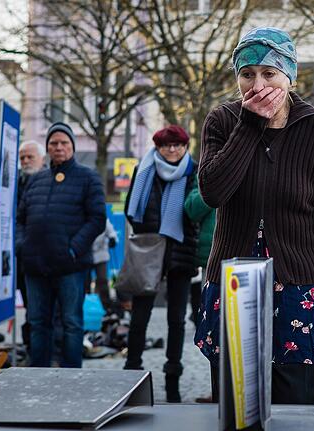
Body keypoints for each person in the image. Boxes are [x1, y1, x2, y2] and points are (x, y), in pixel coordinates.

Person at [195, 27, 314, 405]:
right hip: (234, 284)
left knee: (302, 404)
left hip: (302, 287)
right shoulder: (223, 121)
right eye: (247, 74)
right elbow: (213, 191)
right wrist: (250, 124)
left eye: (269, 73)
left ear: (289, 76)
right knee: (240, 408)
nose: (257, 83)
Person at [16, 122, 106, 368]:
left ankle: (72, 378)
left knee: (72, 323)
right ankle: (39, 374)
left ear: (72, 147)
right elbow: (20, 219)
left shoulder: (88, 178)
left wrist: (74, 248)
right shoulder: (36, 181)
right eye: (53, 143)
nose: (59, 147)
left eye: (64, 143)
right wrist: (22, 246)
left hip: (71, 265)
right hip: (35, 265)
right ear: (47, 149)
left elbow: (97, 219)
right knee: (38, 322)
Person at [123, 125, 198, 403]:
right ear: (157, 147)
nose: (172, 150)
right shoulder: (145, 170)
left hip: (181, 252)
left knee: (176, 319)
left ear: (185, 147)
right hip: (150, 251)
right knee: (140, 316)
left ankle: (173, 378)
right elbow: (133, 209)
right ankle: (132, 371)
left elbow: (197, 212)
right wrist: (157, 234)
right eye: (167, 145)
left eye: (177, 145)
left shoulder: (195, 171)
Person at [184, 184, 217, 403]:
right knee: (216, 328)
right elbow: (191, 209)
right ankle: (218, 387)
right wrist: (217, 187)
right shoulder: (207, 171)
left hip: (255, 254)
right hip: (212, 258)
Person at [16, 140, 46, 350]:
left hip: (47, 258)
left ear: (41, 159)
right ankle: (32, 349)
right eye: (22, 158)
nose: (26, 161)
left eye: (30, 157)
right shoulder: (16, 183)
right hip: (23, 257)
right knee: (30, 307)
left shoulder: (49, 180)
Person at [87, 219, 118, 312]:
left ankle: (105, 305)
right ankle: (86, 304)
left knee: (102, 280)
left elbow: (112, 232)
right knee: (85, 282)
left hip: (101, 254)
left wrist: (113, 239)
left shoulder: (103, 219)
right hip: (85, 253)